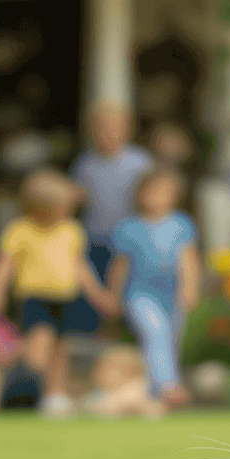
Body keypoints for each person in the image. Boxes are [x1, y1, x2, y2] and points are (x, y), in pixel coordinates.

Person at [0, 168, 116, 418]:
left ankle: (56, 395)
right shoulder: (20, 230)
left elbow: (80, 267)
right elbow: (4, 264)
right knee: (38, 349)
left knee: (59, 350)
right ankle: (19, 384)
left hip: (65, 298)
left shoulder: (71, 231)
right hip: (35, 298)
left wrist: (99, 295)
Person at [106, 165, 200, 410]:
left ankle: (155, 392)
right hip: (140, 293)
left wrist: (190, 288)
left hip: (171, 293)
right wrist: (113, 295)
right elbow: (120, 266)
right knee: (155, 332)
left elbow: (188, 261)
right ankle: (169, 386)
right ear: (140, 194)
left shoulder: (181, 225)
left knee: (170, 339)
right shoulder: (128, 228)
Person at [70, 102, 153, 331]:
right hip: (96, 238)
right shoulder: (85, 164)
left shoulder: (140, 162)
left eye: (114, 127)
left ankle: (126, 336)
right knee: (95, 293)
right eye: (102, 128)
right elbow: (76, 199)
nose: (108, 134)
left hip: (130, 242)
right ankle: (93, 337)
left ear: (127, 130)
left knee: (129, 293)